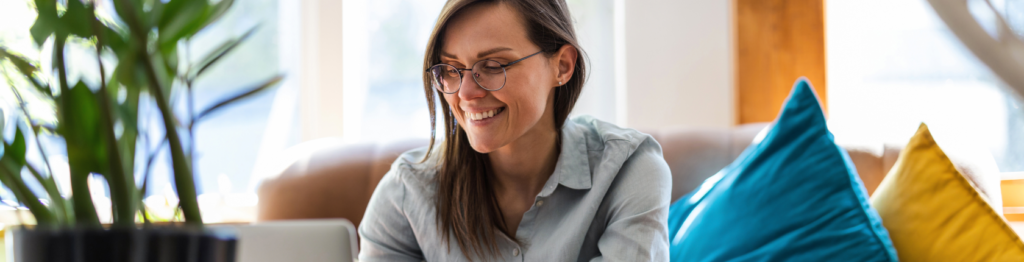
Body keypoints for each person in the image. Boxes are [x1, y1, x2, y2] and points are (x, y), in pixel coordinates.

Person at [358, 0, 671, 261]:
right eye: (451, 69)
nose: (465, 94)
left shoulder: (630, 171)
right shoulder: (404, 196)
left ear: (562, 66)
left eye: (493, 66)